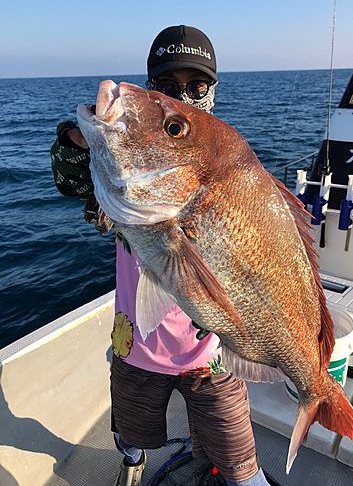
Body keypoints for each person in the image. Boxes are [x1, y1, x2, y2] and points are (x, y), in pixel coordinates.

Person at [51, 25, 274, 486]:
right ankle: (132, 461)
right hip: (135, 346)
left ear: (213, 92)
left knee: (241, 466)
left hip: (213, 352)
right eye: (169, 88)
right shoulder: (129, 163)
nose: (184, 96)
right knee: (130, 436)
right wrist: (80, 138)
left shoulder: (231, 172)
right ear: (152, 87)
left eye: (197, 87)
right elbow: (71, 178)